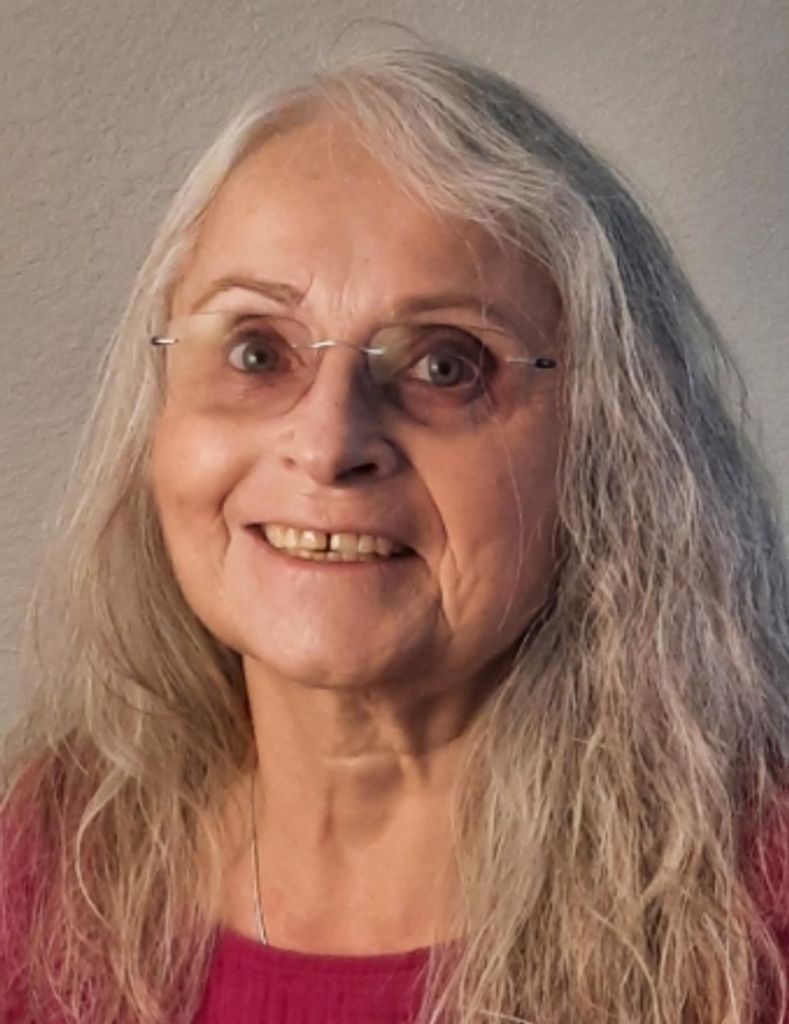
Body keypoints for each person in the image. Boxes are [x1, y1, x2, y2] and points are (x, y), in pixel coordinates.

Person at [2, 44, 789, 1024]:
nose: (329, 443)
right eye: (257, 351)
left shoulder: (756, 915)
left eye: (446, 365)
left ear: (609, 441)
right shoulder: (49, 864)